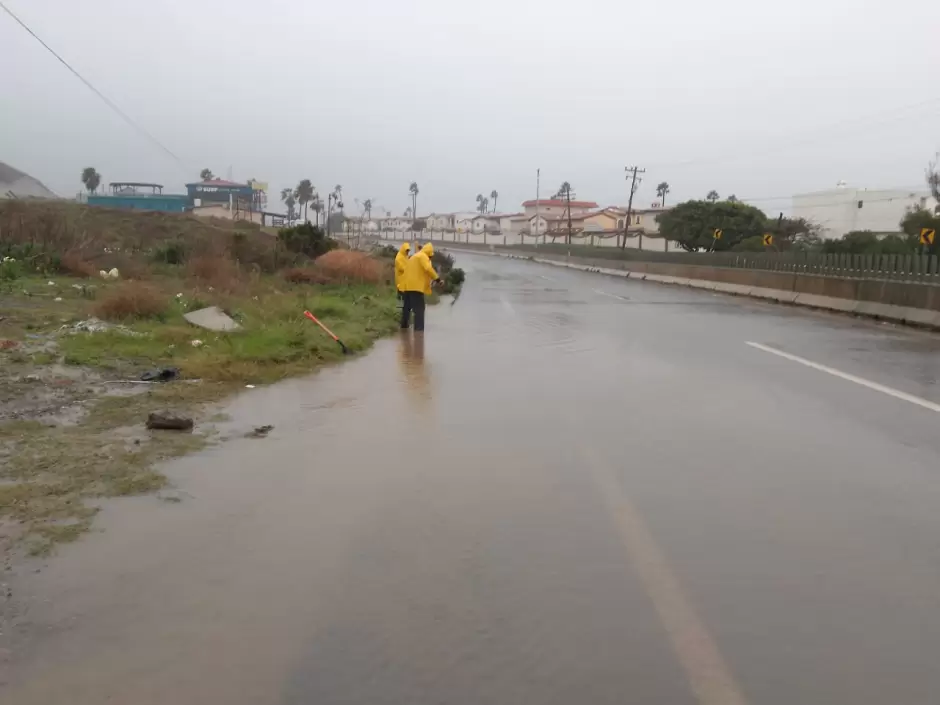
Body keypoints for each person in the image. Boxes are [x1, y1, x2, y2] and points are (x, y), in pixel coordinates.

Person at [399, 243, 439, 332]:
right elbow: (428, 269)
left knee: (407, 308)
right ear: (429, 253)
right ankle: (419, 332)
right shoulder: (423, 256)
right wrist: (437, 279)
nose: (430, 258)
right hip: (416, 287)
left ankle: (404, 328)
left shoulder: (414, 256)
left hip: (406, 286)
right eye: (430, 256)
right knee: (419, 309)